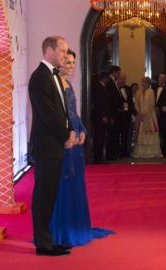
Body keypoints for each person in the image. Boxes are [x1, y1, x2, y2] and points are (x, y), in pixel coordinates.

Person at [50, 49, 113, 247]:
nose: (70, 66)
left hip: (77, 140)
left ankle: (76, 226)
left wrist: (83, 130)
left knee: (76, 184)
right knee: (64, 184)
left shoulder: (68, 84)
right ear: (59, 62)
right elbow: (56, 116)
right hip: (66, 139)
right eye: (67, 62)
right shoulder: (54, 85)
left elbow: (74, 113)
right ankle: (63, 230)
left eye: (73, 63)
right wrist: (68, 135)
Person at [28, 36, 75, 256]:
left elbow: (62, 112)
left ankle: (48, 239)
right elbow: (48, 114)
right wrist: (66, 134)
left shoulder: (53, 76)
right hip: (47, 146)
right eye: (62, 51)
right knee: (43, 195)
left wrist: (71, 131)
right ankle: (43, 244)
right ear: (49, 50)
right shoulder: (39, 78)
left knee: (50, 194)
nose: (65, 55)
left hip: (55, 144)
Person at [132, 77, 163, 158]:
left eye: (145, 82)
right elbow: (136, 103)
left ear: (149, 84)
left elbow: (151, 104)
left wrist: (144, 113)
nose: (143, 84)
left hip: (149, 115)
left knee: (150, 132)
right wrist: (139, 111)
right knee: (140, 133)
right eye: (142, 82)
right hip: (140, 115)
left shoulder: (151, 91)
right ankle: (141, 153)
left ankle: (151, 153)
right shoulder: (138, 92)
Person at [92, 71, 110, 163]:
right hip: (99, 117)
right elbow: (99, 103)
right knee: (99, 137)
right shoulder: (98, 87)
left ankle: (99, 157)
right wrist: (103, 115)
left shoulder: (102, 86)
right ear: (104, 77)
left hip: (102, 116)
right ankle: (97, 158)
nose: (109, 80)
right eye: (108, 78)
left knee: (102, 137)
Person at [106, 65, 123, 160]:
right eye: (119, 73)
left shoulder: (113, 82)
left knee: (114, 134)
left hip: (115, 113)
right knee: (112, 134)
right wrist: (111, 116)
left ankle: (113, 153)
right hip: (113, 113)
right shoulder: (109, 82)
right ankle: (110, 154)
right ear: (115, 72)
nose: (119, 75)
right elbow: (110, 100)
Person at [117, 73, 136, 157]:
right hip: (118, 115)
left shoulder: (128, 89)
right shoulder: (115, 88)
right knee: (117, 135)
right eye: (121, 78)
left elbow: (131, 102)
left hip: (127, 116)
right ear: (118, 79)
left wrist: (133, 114)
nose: (123, 80)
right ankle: (118, 151)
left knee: (126, 135)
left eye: (124, 79)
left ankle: (125, 151)